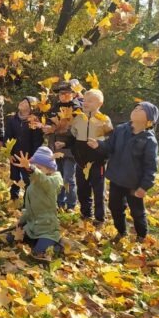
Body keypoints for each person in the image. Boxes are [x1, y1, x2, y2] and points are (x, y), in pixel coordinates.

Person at [88, 102, 159, 243]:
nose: (136, 110)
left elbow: (151, 166)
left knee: (137, 212)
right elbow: (109, 147)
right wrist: (99, 145)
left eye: (141, 109)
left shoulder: (149, 140)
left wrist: (144, 186)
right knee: (114, 207)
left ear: (149, 119)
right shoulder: (120, 130)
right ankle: (121, 232)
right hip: (116, 179)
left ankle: (141, 236)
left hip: (134, 184)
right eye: (136, 108)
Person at [67, 89, 113, 225]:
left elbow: (110, 141)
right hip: (81, 161)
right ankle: (86, 213)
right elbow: (72, 137)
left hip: (97, 162)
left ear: (100, 103)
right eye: (85, 100)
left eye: (90, 101)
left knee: (98, 190)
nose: (85, 103)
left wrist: (100, 146)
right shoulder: (78, 118)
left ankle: (100, 217)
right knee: (82, 188)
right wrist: (64, 143)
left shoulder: (104, 120)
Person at [10, 147, 64, 259]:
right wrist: (20, 223)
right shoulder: (32, 185)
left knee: (38, 253)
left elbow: (44, 181)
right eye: (34, 166)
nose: (35, 170)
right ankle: (36, 242)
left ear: (49, 169)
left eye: (38, 167)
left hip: (47, 229)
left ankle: (57, 244)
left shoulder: (55, 180)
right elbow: (29, 209)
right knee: (10, 238)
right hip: (32, 227)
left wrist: (31, 168)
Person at [44, 82, 80, 211]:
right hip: (55, 147)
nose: (63, 96)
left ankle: (71, 205)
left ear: (73, 94)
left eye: (66, 93)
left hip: (70, 149)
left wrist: (63, 139)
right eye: (61, 93)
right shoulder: (54, 108)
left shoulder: (77, 109)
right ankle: (59, 203)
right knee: (57, 177)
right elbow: (49, 125)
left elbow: (76, 130)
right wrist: (47, 128)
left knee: (68, 178)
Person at [5, 96, 44, 200]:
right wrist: (9, 154)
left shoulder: (34, 121)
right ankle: (14, 199)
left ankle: (27, 202)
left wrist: (33, 158)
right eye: (21, 101)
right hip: (15, 154)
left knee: (28, 180)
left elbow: (37, 141)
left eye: (25, 102)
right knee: (14, 177)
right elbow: (7, 137)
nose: (22, 103)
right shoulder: (12, 119)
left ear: (31, 107)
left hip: (28, 156)